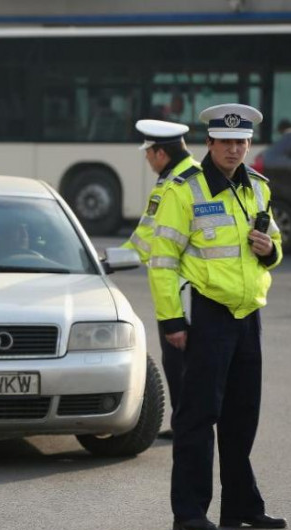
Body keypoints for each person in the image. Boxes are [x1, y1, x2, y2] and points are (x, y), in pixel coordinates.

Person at [148, 103, 287, 530]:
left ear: (249, 144)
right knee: (198, 416)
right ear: (208, 143)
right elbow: (161, 261)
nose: (233, 149)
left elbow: (276, 246)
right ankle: (189, 511)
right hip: (207, 314)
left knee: (243, 415)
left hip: (249, 317)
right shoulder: (184, 190)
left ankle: (241, 507)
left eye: (241, 142)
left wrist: (270, 250)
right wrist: (172, 321)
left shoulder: (258, 187)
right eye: (225, 142)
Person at [122, 119, 199, 439]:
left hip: (186, 291)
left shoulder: (185, 182)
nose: (146, 159)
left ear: (160, 152)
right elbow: (146, 236)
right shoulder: (170, 180)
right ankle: (185, 422)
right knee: (177, 362)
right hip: (173, 291)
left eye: (148, 153)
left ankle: (190, 425)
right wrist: (112, 259)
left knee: (184, 362)